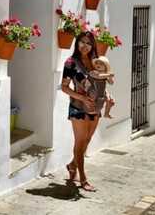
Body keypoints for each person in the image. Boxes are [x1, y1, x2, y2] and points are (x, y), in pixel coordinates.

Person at [61, 31, 100, 192]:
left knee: (88, 140)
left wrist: (108, 96)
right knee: (80, 142)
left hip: (95, 107)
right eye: (82, 42)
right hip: (78, 107)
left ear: (93, 46)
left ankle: (71, 165)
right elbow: (64, 87)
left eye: (89, 43)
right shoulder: (71, 63)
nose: (85, 46)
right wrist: (82, 98)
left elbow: (101, 84)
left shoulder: (95, 62)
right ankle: (83, 179)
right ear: (77, 43)